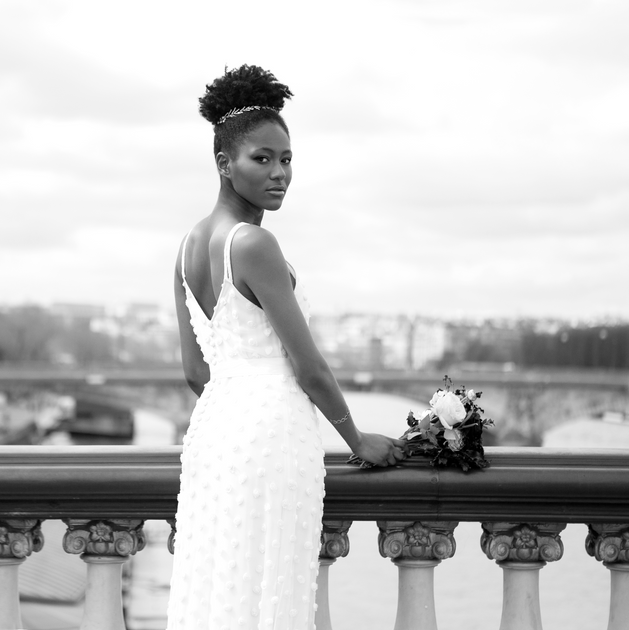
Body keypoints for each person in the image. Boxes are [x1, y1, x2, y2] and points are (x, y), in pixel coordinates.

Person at [167, 65, 406, 630]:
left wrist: (236, 415)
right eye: (262, 158)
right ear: (224, 163)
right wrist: (358, 439)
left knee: (220, 588)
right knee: (270, 592)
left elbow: (195, 371)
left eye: (287, 159)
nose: (280, 174)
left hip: (214, 441)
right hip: (271, 441)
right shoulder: (253, 243)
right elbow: (309, 367)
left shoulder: (186, 247)